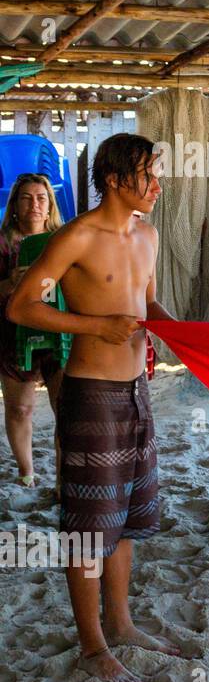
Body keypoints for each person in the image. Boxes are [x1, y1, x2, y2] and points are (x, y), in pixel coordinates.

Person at [9, 133, 179, 682]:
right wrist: (93, 325)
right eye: (146, 175)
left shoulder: (148, 234)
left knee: (125, 517)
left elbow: (145, 301)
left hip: (137, 393)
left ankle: (122, 624)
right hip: (91, 395)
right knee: (88, 527)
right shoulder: (76, 237)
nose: (156, 185)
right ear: (113, 179)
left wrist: (175, 327)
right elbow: (22, 304)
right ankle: (91, 646)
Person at [0, 173, 65, 486]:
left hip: (58, 334)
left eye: (41, 198)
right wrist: (10, 283)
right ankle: (27, 474)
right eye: (26, 197)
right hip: (13, 336)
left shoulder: (64, 241)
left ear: (50, 204)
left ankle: (64, 481)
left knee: (65, 411)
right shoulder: (2, 244)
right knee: (19, 409)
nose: (34, 204)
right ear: (15, 205)